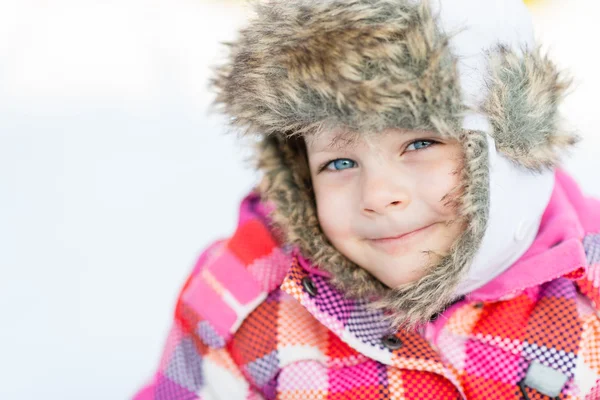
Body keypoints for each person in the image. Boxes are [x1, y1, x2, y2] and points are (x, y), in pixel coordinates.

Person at [133, 0, 600, 398]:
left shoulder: (589, 293)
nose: (378, 196)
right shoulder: (243, 296)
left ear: (506, 139)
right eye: (339, 163)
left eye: (420, 144)